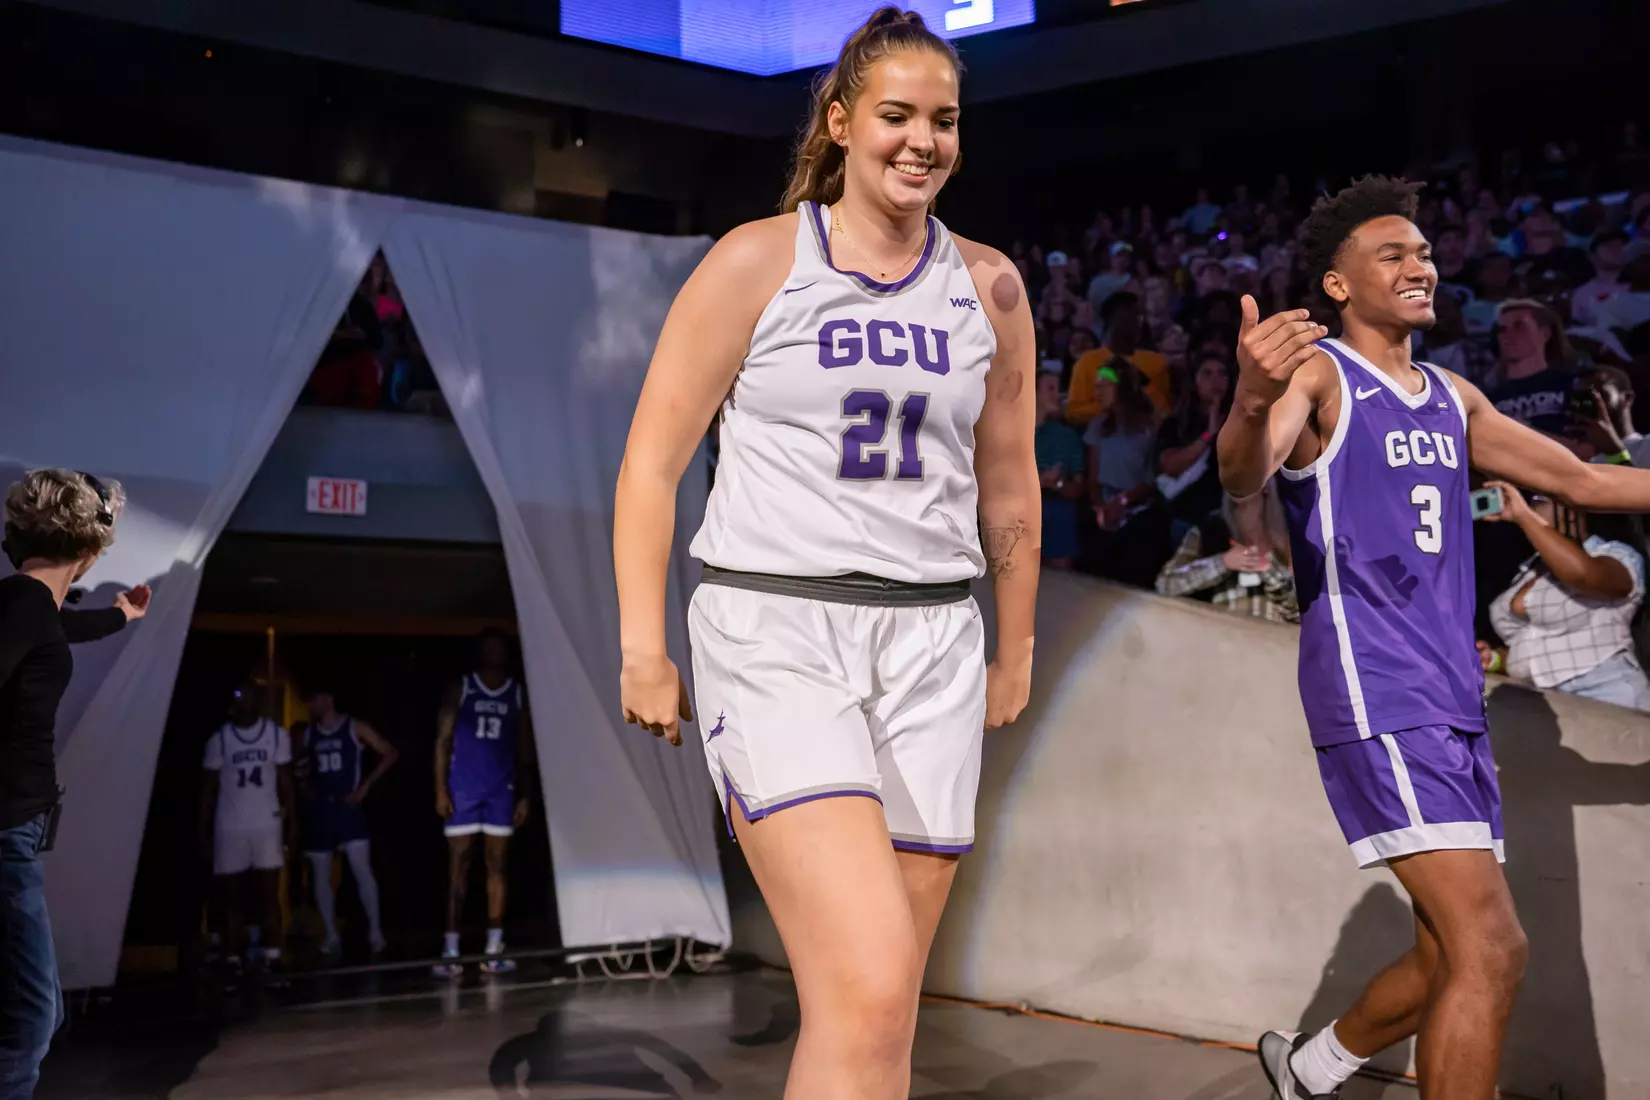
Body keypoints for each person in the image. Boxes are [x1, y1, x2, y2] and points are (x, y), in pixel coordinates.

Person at [612, 10, 1038, 1097]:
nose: (922, 140)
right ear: (843, 122)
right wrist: (641, 646)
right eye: (896, 115)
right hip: (776, 625)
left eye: (943, 120)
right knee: (868, 977)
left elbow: (1009, 481)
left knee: (883, 1011)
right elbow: (653, 460)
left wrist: (1015, 642)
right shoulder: (760, 258)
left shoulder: (991, 285)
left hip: (936, 641)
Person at [1218, 174, 1650, 1100]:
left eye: (1424, 250)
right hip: (1379, 690)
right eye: (1394, 253)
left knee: (1444, 953)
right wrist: (1251, 398)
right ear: (1338, 283)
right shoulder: (1317, 374)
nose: (1422, 263)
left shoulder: (1452, 395)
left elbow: (1586, 481)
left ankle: (1309, 1068)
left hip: (1452, 698)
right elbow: (1245, 471)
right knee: (1494, 947)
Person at [1, 470, 148, 1100]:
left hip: (16, 832)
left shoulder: (31, 606)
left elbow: (61, 632)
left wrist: (119, 616)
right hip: (5, 832)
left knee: (31, 1011)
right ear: (89, 550)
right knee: (34, 1017)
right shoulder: (22, 603)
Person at [1479, 485, 1650, 710]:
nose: (1530, 506)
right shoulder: (1529, 570)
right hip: (1543, 703)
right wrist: (1495, 659)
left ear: (1574, 509)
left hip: (1607, 695)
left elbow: (1583, 576)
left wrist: (1524, 517)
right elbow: (1538, 644)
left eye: (1538, 500)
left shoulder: (1614, 555)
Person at [433, 629, 534, 978]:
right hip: (463, 789)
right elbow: (442, 740)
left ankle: (493, 948)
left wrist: (525, 793)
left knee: (497, 867)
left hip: (500, 790)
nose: (494, 653)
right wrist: (440, 789)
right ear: (480, 652)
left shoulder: (515, 691)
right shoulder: (463, 687)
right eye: (488, 647)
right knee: (458, 868)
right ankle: (450, 948)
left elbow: (523, 748)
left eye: (499, 647)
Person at [295, 684, 398, 958]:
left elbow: (389, 752)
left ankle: (375, 933)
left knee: (362, 869)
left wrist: (365, 787)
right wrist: (304, 786)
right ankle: (330, 935)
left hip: (348, 808)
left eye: (313, 699)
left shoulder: (354, 726)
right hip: (320, 811)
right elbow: (300, 769)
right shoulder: (308, 733)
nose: (309, 706)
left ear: (327, 698)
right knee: (320, 874)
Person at [200, 681, 294, 975]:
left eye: (250, 695)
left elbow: (285, 782)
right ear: (233, 702)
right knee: (232, 898)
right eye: (239, 695)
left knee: (269, 896)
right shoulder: (221, 739)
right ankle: (231, 959)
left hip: (266, 824)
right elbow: (208, 790)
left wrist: (293, 823)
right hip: (230, 826)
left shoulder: (276, 735)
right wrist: (201, 830)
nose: (245, 701)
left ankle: (273, 955)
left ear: (259, 700)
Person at [1154, 484, 1297, 622]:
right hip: (1221, 640)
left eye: (1247, 470)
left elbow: (1303, 612)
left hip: (1272, 642)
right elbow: (1165, 585)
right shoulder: (1208, 532)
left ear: (1266, 483)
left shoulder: (1290, 535)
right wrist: (1222, 563)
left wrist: (1270, 572)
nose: (1239, 477)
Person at [1065, 292, 1171, 423]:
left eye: (1140, 316)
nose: (1139, 322)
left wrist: (1142, 383)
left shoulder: (1156, 362)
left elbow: (1165, 412)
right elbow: (1074, 412)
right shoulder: (1087, 362)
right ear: (1113, 320)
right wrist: (1110, 406)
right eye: (1133, 316)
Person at [1484, 298, 1575, 436]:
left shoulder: (1574, 386)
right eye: (1502, 330)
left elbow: (1589, 449)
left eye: (1519, 326)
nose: (1508, 335)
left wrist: (1527, 434)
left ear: (1545, 333)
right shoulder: (1486, 401)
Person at [1035, 370, 1086, 570]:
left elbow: (1077, 490)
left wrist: (1057, 483)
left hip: (1055, 509)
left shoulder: (1067, 437)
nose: (1058, 395)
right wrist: (1038, 481)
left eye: (1058, 389)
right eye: (1050, 389)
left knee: (1060, 513)